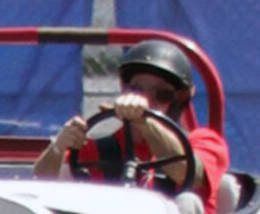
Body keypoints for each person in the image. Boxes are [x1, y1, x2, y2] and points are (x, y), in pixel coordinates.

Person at [33, 40, 231, 203]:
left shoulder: (205, 143)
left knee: (187, 202)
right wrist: (58, 147)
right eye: (137, 90)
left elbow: (185, 173)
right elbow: (43, 182)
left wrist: (144, 120)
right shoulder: (100, 149)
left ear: (178, 100)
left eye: (161, 94)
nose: (146, 100)